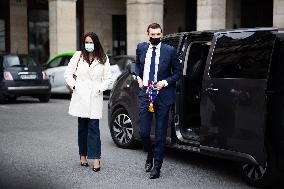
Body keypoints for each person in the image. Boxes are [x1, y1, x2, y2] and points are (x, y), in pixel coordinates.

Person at [136, 23, 182, 179]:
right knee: (143, 132)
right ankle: (149, 154)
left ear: (161, 34)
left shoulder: (170, 51)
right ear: (147, 34)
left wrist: (165, 82)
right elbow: (136, 64)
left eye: (158, 34)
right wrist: (138, 77)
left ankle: (157, 166)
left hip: (163, 96)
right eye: (152, 34)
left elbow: (178, 73)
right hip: (145, 94)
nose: (155, 37)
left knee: (161, 134)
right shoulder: (141, 48)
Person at [64, 32, 112, 172]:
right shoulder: (78, 56)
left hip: (95, 97)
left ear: (96, 43)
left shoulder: (103, 58)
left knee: (94, 129)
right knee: (83, 129)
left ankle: (96, 159)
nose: (88, 45)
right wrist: (75, 86)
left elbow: (108, 79)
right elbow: (68, 74)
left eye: (91, 42)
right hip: (81, 97)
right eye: (86, 42)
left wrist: (99, 89)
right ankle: (83, 156)